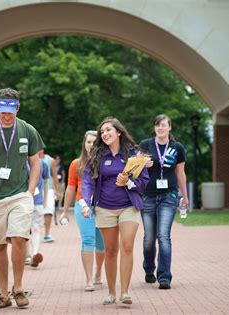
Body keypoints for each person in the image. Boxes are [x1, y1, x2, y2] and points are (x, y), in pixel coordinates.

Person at [0, 88, 45, 309]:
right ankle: (3, 294)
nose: (6, 115)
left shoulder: (28, 130)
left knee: (20, 238)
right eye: (3, 110)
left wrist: (30, 192)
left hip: (20, 194)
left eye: (11, 110)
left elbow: (35, 163)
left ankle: (18, 288)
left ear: (17, 108)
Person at [80, 117, 149, 305]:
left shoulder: (133, 154)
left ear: (118, 132)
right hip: (104, 208)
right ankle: (111, 292)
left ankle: (124, 292)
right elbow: (87, 182)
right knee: (110, 251)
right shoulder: (97, 155)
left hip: (129, 206)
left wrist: (129, 182)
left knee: (126, 246)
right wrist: (86, 203)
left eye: (108, 130)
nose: (105, 134)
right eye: (102, 132)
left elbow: (144, 181)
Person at [139, 114, 188, 290]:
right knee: (149, 238)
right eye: (158, 125)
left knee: (164, 236)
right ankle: (149, 269)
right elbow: (135, 167)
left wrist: (185, 195)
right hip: (148, 196)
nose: (161, 128)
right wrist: (144, 164)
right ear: (154, 128)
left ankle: (164, 276)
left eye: (164, 125)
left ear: (169, 128)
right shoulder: (146, 145)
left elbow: (181, 173)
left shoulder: (177, 148)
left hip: (169, 196)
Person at [60, 130, 105, 292]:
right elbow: (71, 188)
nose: (91, 145)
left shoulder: (105, 163)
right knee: (88, 240)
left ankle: (98, 273)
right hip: (83, 205)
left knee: (101, 244)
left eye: (94, 142)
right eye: (88, 142)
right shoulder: (76, 164)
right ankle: (88, 279)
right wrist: (65, 211)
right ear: (84, 144)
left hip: (103, 206)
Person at [25, 150, 49, 268]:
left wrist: (45, 199)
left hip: (37, 201)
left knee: (35, 228)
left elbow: (45, 182)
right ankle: (27, 255)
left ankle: (34, 254)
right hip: (21, 201)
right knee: (24, 230)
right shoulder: (19, 161)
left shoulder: (42, 163)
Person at [41, 151, 60, 242]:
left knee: (48, 211)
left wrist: (57, 191)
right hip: (35, 188)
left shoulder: (50, 160)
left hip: (48, 189)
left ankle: (47, 233)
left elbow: (55, 176)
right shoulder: (30, 158)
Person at [54, 155, 66, 223]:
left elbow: (63, 174)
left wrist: (63, 181)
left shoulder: (61, 166)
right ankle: (55, 205)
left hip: (60, 181)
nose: (57, 161)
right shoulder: (53, 165)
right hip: (55, 182)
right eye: (56, 159)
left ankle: (59, 205)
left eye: (58, 159)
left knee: (61, 194)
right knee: (55, 194)